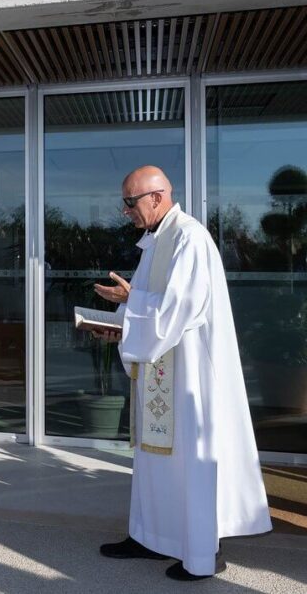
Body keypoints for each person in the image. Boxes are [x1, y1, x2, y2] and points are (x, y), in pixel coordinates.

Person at [92, 166, 272, 581]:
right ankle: (150, 535)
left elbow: (180, 306)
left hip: (189, 377)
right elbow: (148, 304)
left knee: (188, 462)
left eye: (130, 202)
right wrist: (116, 323)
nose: (126, 212)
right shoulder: (157, 241)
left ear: (156, 197)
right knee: (155, 462)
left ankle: (201, 552)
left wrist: (131, 300)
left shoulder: (189, 237)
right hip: (162, 370)